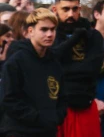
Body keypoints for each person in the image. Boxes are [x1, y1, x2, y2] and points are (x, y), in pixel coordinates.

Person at [0, 8, 66, 136]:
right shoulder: (16, 61)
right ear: (31, 31)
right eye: (44, 29)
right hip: (19, 131)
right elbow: (9, 100)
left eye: (53, 29)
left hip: (48, 131)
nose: (49, 34)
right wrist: (38, 118)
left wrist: (56, 117)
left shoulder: (55, 63)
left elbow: (62, 97)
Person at [50, 0, 104, 137]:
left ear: (80, 8)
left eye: (75, 9)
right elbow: (49, 65)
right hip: (54, 105)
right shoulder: (49, 34)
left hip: (85, 104)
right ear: (55, 9)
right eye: (65, 9)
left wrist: (63, 69)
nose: (71, 14)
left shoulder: (93, 36)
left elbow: (92, 69)